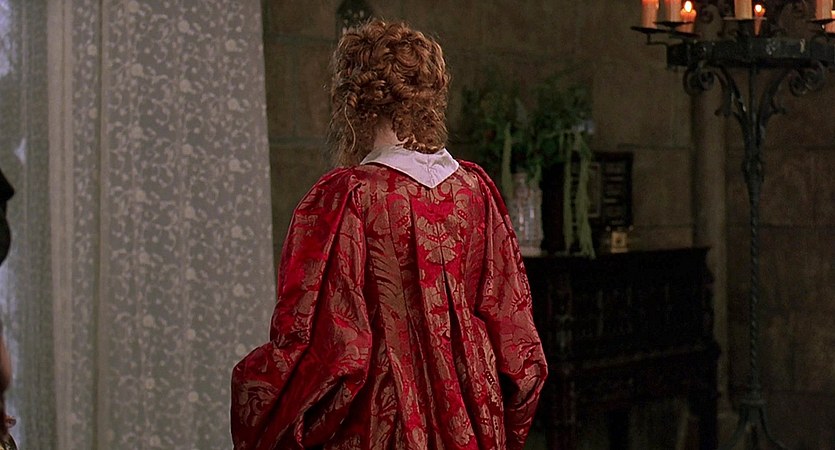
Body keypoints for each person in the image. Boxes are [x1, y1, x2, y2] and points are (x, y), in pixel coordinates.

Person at [231, 19, 547, 450]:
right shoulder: (475, 190)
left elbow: (322, 343)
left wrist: (255, 390)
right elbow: (515, 334)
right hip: (470, 418)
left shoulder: (347, 196)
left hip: (381, 421)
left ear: (353, 101)